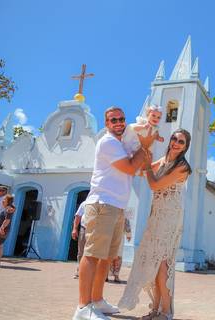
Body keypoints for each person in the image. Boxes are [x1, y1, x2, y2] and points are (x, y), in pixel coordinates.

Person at [72, 106, 151, 320]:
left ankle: (97, 300)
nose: (118, 122)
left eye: (121, 119)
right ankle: (82, 307)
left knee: (107, 258)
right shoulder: (108, 142)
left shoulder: (121, 144)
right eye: (113, 119)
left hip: (117, 206)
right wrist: (144, 148)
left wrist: (142, 151)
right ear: (107, 124)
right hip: (102, 204)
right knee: (92, 255)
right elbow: (129, 168)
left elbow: (139, 166)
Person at [119, 129, 192, 320]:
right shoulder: (163, 160)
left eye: (181, 141)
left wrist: (148, 167)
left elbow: (155, 185)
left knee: (162, 263)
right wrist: (143, 150)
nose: (176, 143)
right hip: (156, 215)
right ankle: (157, 309)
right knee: (153, 262)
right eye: (174, 139)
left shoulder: (182, 166)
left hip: (170, 217)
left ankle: (166, 312)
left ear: (185, 147)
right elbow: (141, 171)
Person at [108, 217, 132, 283]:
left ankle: (116, 276)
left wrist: (128, 235)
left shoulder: (123, 214)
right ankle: (106, 275)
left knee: (117, 257)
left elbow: (127, 224)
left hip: (119, 239)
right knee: (109, 257)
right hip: (110, 238)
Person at [72, 201, 87, 279]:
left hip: (97, 231)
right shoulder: (84, 203)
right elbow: (78, 216)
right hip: (84, 229)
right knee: (81, 251)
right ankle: (79, 271)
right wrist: (74, 229)